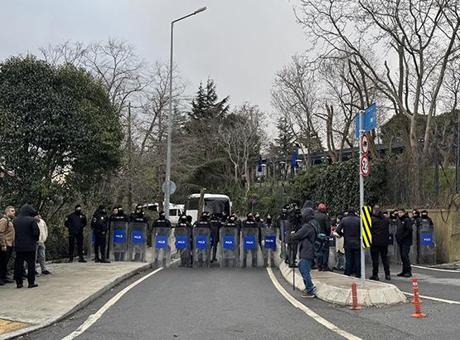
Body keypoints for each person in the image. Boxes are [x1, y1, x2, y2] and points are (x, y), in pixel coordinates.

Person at [289, 207, 317, 298]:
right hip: (311, 250)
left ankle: (310, 290)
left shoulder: (307, 226)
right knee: (304, 269)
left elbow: (298, 235)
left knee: (304, 270)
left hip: (306, 251)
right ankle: (309, 288)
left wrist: (292, 234)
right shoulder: (314, 224)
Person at [13, 204, 40, 288]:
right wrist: (35, 240)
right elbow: (36, 233)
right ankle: (31, 282)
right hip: (30, 246)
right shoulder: (32, 220)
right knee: (31, 264)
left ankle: (19, 283)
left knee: (18, 264)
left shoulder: (15, 220)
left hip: (18, 246)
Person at [336, 208, 361, 278]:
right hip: (357, 242)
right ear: (354, 212)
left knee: (348, 258)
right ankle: (358, 273)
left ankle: (347, 272)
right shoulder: (359, 220)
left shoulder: (344, 220)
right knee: (357, 259)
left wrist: (342, 234)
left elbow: (337, 230)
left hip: (347, 242)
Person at [369, 206, 390, 281]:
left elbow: (369, 230)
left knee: (375, 260)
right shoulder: (385, 219)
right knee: (385, 258)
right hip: (384, 242)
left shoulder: (371, 219)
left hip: (375, 242)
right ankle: (387, 274)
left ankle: (375, 275)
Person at [0, 206, 16, 284]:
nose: (14, 212)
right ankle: (1, 278)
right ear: (7, 212)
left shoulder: (10, 221)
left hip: (10, 244)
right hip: (5, 245)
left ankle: (4, 277)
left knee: (5, 262)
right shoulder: (4, 220)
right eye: (12, 211)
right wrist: (3, 245)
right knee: (2, 262)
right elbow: (1, 233)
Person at [314, 203, 331, 271]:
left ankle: (319, 265)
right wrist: (328, 234)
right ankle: (325, 266)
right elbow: (328, 227)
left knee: (318, 250)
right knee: (325, 251)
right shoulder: (325, 217)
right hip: (324, 236)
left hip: (316, 236)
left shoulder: (314, 216)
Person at [396, 208, 413, 277]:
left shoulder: (407, 220)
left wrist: (403, 236)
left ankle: (408, 271)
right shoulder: (399, 220)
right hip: (401, 241)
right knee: (402, 256)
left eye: (401, 212)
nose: (399, 214)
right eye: (398, 212)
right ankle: (404, 270)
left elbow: (409, 230)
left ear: (404, 213)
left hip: (406, 241)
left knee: (405, 255)